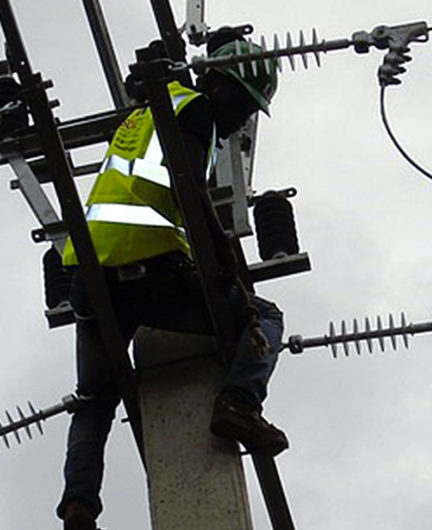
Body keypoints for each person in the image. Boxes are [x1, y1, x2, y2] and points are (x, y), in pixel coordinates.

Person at [57, 30, 287, 530]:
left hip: (92, 277)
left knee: (95, 401)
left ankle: (79, 504)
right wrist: (222, 249)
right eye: (244, 108)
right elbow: (185, 182)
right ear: (223, 89)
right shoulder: (195, 112)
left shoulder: (145, 114)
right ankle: (239, 403)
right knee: (263, 317)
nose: (241, 122)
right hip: (152, 273)